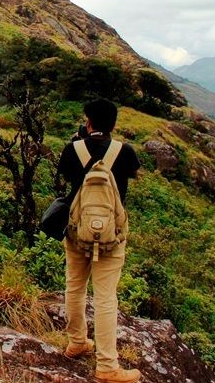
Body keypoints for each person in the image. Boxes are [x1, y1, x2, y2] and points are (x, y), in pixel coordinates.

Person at [58, 99, 142, 382]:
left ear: (88, 121)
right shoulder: (125, 151)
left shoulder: (73, 149)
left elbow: (67, 177)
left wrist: (79, 141)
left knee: (75, 286)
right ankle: (107, 366)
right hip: (111, 236)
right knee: (106, 297)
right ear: (113, 124)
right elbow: (132, 175)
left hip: (76, 232)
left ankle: (77, 342)